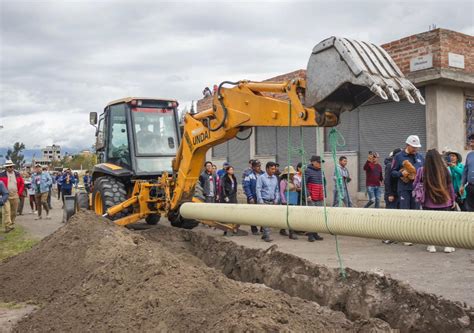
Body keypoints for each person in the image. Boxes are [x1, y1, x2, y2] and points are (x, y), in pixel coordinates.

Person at [413, 149, 456, 253]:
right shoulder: (445, 170)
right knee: (445, 224)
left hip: (428, 203)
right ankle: (447, 245)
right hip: (445, 202)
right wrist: (453, 199)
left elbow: (415, 185)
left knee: (430, 224)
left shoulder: (422, 170)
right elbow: (450, 186)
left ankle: (432, 245)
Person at [391, 135, 425, 211]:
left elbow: (425, 172)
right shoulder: (398, 156)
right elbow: (392, 172)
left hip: (417, 190)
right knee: (405, 211)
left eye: (417, 147)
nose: (415, 149)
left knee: (416, 211)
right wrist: (401, 174)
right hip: (404, 189)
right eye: (413, 147)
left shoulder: (420, 157)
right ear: (407, 145)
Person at [256, 161, 280, 242]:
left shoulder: (275, 178)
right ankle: (267, 235)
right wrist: (260, 200)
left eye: (274, 169)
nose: (273, 171)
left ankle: (264, 234)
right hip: (264, 200)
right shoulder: (261, 178)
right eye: (272, 169)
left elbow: (277, 190)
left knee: (269, 219)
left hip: (272, 201)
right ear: (267, 169)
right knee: (266, 218)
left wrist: (276, 199)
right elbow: (258, 189)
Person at [304, 156, 325, 242]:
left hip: (319, 196)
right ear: (313, 162)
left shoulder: (321, 171)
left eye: (321, 162)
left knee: (318, 216)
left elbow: (323, 183)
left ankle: (315, 233)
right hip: (311, 197)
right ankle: (310, 235)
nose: (320, 164)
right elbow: (303, 184)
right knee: (311, 216)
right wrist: (307, 195)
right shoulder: (307, 171)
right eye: (318, 162)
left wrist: (324, 194)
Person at [0, 160, 25, 233]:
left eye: (11, 167)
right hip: (5, 195)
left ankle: (12, 224)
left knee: (14, 212)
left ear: (13, 167)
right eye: (8, 167)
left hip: (15, 194)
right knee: (7, 211)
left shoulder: (17, 174)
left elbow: (22, 184)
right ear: (6, 168)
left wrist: (19, 193)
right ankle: (7, 226)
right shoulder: (2, 175)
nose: (9, 168)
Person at [243, 160, 264, 235]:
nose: (259, 167)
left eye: (260, 166)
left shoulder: (263, 174)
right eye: (257, 166)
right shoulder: (248, 175)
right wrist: (250, 197)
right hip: (252, 197)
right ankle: (254, 229)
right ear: (253, 167)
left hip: (261, 197)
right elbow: (246, 186)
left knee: (262, 213)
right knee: (252, 214)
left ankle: (263, 228)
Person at [279, 166, 298, 240]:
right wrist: (284, 201)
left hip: (293, 200)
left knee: (289, 217)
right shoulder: (283, 182)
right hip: (286, 201)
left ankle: (282, 230)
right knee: (289, 217)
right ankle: (291, 233)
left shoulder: (293, 181)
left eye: (293, 174)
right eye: (291, 174)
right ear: (287, 174)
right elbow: (281, 192)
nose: (293, 175)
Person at [460, 134, 474, 211]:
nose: (471, 144)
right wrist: (462, 185)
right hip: (470, 187)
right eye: (471, 142)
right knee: (470, 210)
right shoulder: (469, 155)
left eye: (473, 142)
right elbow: (465, 171)